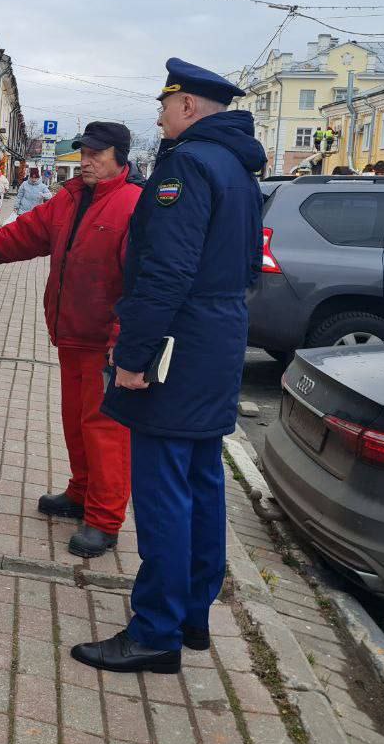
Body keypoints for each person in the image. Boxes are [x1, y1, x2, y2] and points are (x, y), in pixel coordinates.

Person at [70, 59, 264, 674]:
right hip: (218, 341)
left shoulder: (186, 165)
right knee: (203, 483)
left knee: (163, 495)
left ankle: (155, 631)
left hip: (177, 348)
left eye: (165, 104)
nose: (158, 115)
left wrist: (134, 357)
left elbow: (166, 270)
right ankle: (192, 616)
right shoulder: (237, 166)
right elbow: (246, 269)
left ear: (188, 108)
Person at [0, 123, 143, 557]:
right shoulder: (68, 200)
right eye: (82, 153)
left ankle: (105, 520)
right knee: (75, 421)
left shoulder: (134, 206)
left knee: (105, 429)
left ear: (119, 156)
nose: (85, 161)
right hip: (70, 334)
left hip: (106, 342)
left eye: (96, 154)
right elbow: (21, 235)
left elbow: (143, 284)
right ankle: (80, 492)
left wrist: (125, 342)